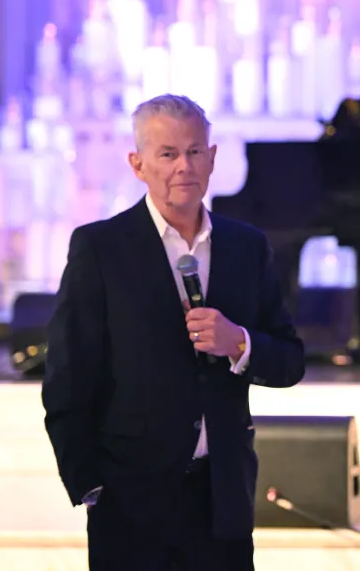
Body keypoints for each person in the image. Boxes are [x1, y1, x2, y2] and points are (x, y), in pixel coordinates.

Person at [41, 94, 306, 570]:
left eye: (194, 151)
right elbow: (67, 379)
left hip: (222, 498)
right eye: (167, 154)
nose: (184, 166)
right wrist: (89, 485)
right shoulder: (101, 249)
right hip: (129, 502)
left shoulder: (247, 247)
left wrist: (239, 343)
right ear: (138, 164)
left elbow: (289, 359)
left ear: (212, 158)